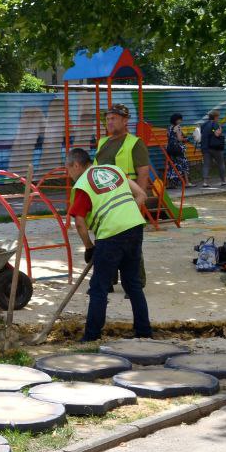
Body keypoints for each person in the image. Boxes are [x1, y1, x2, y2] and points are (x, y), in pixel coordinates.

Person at [64, 148, 152, 342]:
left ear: (76, 165)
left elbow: (79, 223)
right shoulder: (113, 170)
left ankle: (92, 336)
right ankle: (144, 332)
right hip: (135, 227)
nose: (68, 174)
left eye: (68, 169)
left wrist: (89, 247)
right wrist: (126, 214)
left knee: (99, 287)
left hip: (111, 235)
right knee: (133, 283)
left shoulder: (83, 185)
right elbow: (141, 195)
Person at [93, 102, 149, 289]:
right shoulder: (102, 142)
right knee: (105, 239)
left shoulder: (135, 143)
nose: (109, 122)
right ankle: (108, 279)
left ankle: (135, 282)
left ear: (125, 121)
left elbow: (143, 172)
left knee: (130, 241)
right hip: (105, 200)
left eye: (113, 118)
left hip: (127, 198)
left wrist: (138, 201)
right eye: (107, 119)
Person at [200, 109, 226, 187]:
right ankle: (223, 181)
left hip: (205, 147)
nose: (218, 118)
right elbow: (217, 134)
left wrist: (212, 131)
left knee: (206, 165)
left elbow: (204, 133)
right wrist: (220, 130)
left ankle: (205, 182)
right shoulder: (215, 124)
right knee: (221, 163)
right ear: (215, 117)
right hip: (215, 147)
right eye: (218, 116)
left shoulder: (204, 125)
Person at [165, 113, 191, 188]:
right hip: (178, 149)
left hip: (170, 148)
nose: (181, 121)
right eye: (180, 119)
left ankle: (171, 184)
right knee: (183, 164)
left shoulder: (169, 128)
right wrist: (186, 139)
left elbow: (170, 137)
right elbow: (179, 139)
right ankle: (187, 182)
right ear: (176, 120)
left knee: (172, 165)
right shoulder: (178, 127)